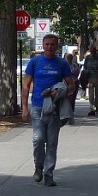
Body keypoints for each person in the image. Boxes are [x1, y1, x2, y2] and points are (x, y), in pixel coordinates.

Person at [22, 33, 76, 186]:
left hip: (54, 109)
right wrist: (24, 107)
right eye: (47, 44)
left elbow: (71, 85)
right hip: (38, 106)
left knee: (52, 142)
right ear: (43, 45)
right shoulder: (35, 62)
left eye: (52, 44)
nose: (49, 47)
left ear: (56, 46)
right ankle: (38, 167)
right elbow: (25, 85)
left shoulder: (62, 63)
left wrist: (60, 91)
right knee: (38, 139)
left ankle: (49, 173)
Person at [80, 45, 98, 116]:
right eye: (91, 50)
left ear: (95, 50)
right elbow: (85, 68)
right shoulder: (88, 58)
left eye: (92, 50)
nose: (91, 51)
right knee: (91, 95)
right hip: (90, 77)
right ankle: (92, 109)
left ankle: (97, 108)